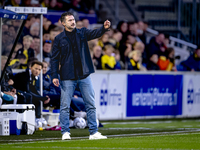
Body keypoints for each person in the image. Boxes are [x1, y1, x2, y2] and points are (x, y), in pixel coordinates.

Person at [51, 12, 110, 140]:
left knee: (91, 103)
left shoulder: (82, 32)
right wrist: (54, 75)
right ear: (63, 23)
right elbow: (54, 59)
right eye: (70, 20)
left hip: (84, 74)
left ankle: (94, 132)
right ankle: (65, 132)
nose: (73, 22)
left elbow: (95, 34)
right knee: (65, 105)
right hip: (67, 76)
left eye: (73, 19)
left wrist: (104, 28)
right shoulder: (59, 38)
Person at [13, 61, 50, 128]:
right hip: (16, 91)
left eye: (39, 70)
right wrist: (42, 98)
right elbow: (28, 90)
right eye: (36, 68)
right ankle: (27, 119)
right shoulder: (24, 76)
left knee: (37, 99)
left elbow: (33, 90)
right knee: (29, 97)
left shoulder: (34, 77)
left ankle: (37, 118)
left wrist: (43, 98)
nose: (37, 71)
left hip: (25, 93)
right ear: (31, 67)